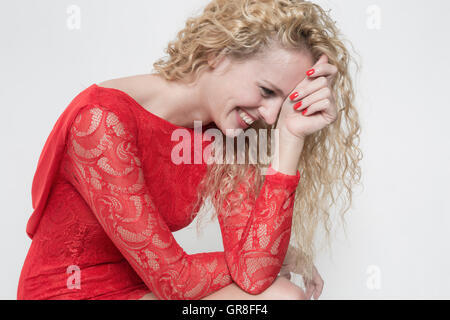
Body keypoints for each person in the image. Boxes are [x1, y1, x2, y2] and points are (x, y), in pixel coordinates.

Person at [17, 0, 362, 300]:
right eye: (266, 90)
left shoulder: (226, 132)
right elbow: (176, 282)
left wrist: (290, 136)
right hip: (67, 292)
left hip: (138, 290)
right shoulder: (100, 121)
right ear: (218, 54)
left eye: (283, 103)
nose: (270, 116)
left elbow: (253, 276)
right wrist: (276, 257)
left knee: (282, 295)